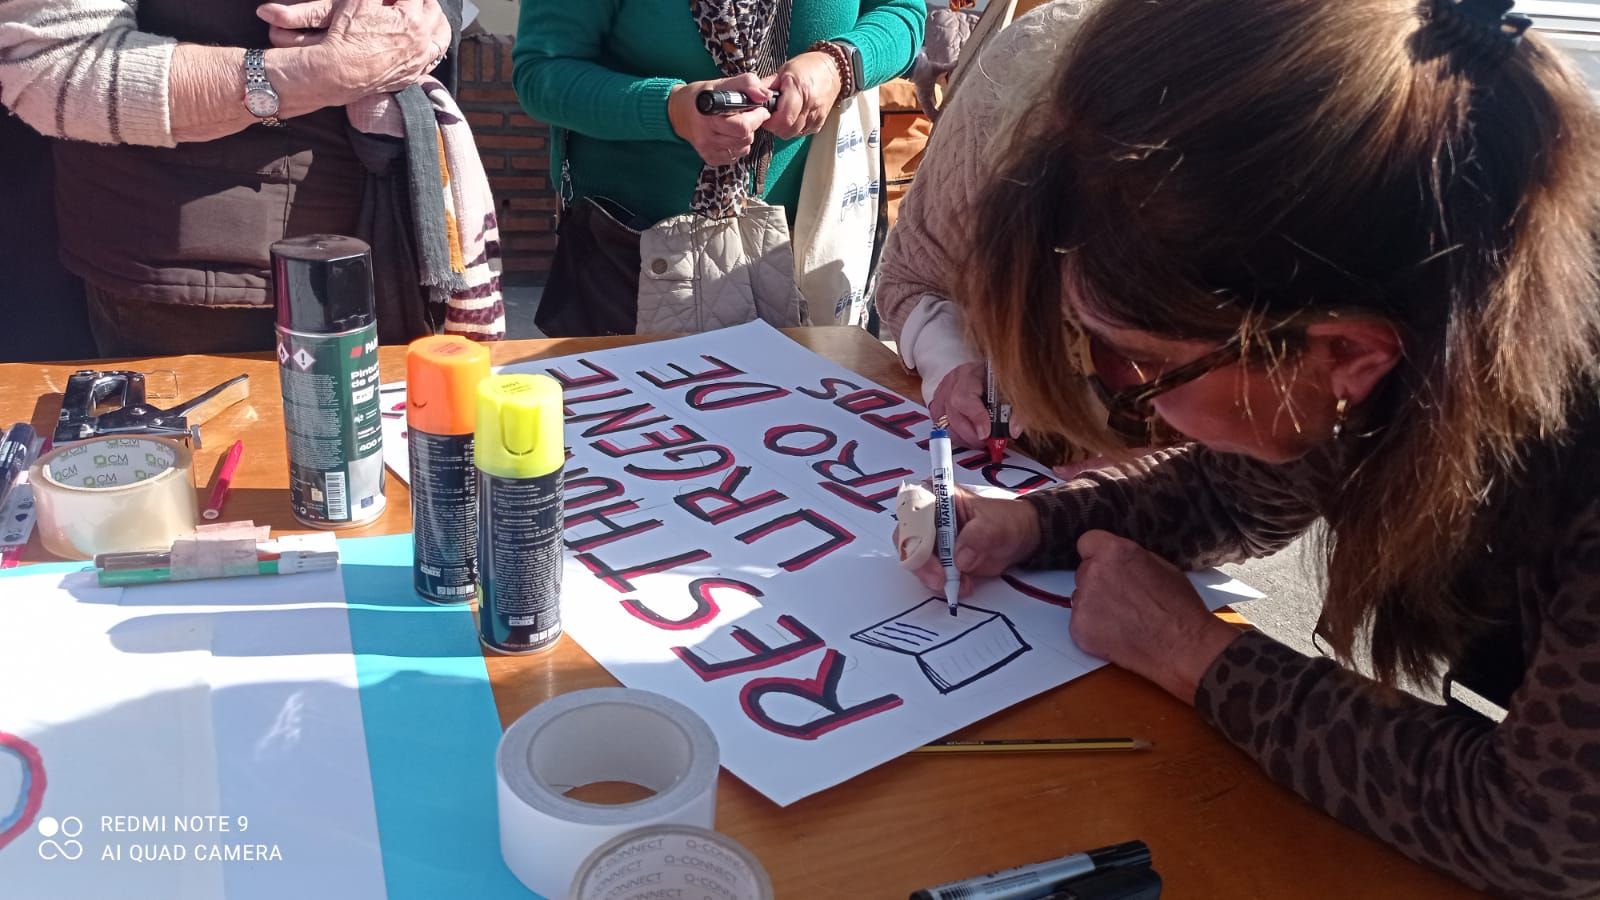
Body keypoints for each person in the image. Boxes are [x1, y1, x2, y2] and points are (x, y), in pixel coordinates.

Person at [907, 0, 1600, 895]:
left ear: (1346, 352)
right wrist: (1031, 522)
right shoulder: (1411, 285)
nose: (1111, 387)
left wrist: (1196, 654)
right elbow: (1234, 495)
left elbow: (1542, 831)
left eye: (1139, 363)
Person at [0, 0, 460, 356]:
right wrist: (318, 73)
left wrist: (431, 19)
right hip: (201, 277)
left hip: (396, 228)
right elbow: (55, 62)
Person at [512, 0, 925, 334]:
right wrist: (671, 109)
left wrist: (839, 63)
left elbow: (904, 14)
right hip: (634, 262)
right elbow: (542, 72)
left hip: (812, 253)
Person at [877, 0, 1098, 471]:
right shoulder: (1010, 77)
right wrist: (952, 361)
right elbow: (910, 275)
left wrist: (1165, 478)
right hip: (1010, 477)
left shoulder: (1254, 136)